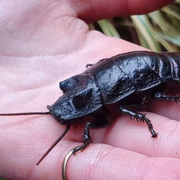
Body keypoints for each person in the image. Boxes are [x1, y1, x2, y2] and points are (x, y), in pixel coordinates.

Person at [0, 0, 179, 179]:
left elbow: (117, 111)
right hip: (145, 63)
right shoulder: (91, 84)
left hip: (164, 68)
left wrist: (145, 122)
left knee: (149, 97)